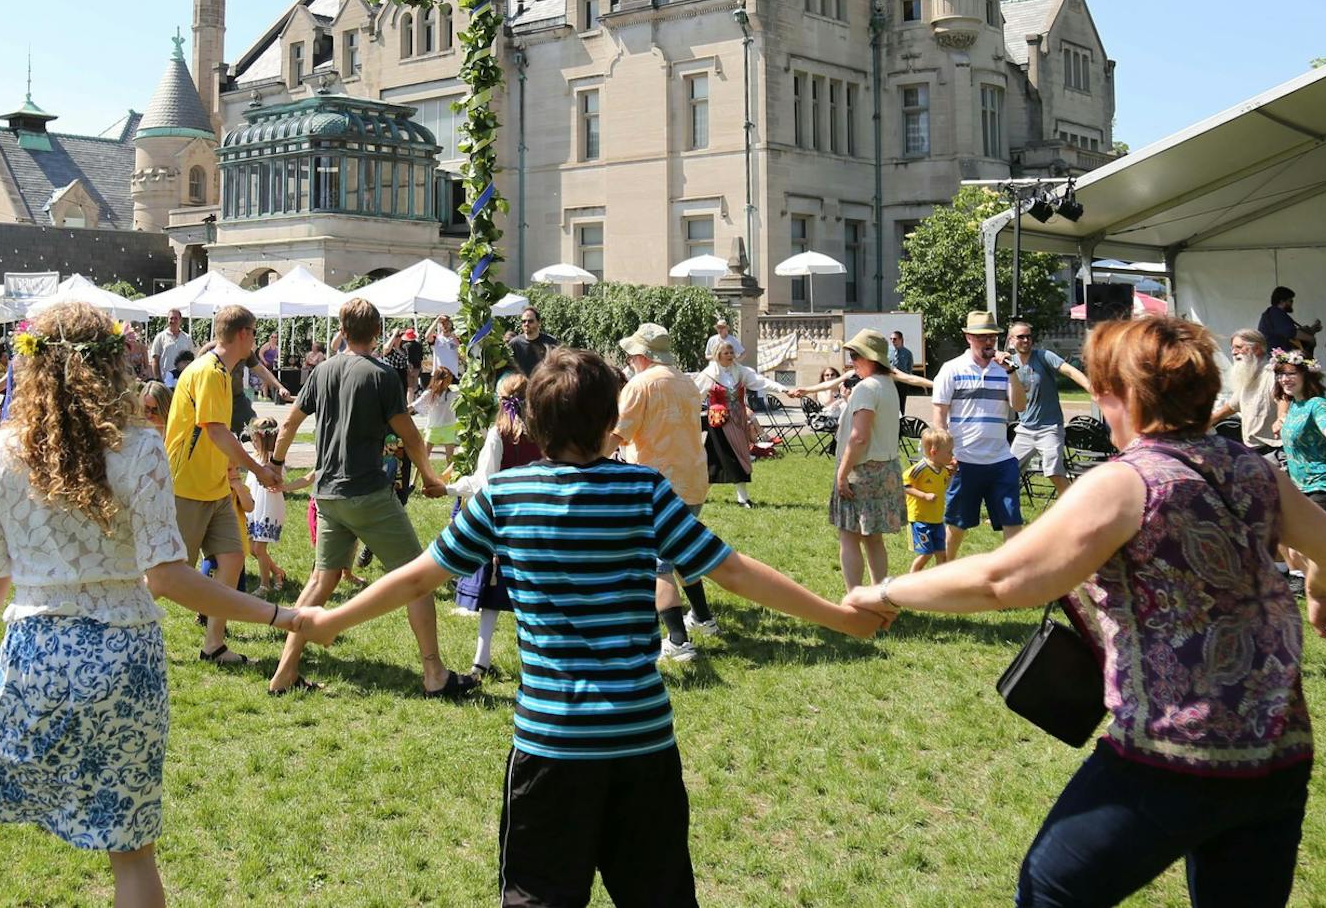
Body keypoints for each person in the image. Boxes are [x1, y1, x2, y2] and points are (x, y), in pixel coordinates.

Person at [298, 347, 889, 905]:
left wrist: (334, 619)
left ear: (530, 425)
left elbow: (416, 578)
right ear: (612, 423)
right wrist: (836, 615)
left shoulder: (502, 496)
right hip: (642, 742)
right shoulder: (644, 491)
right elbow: (733, 572)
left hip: (551, 746)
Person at [847, 314, 1326, 908]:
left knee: (1051, 890)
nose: (1099, 399)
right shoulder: (1255, 470)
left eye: (1104, 389)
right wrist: (1324, 595)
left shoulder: (1129, 481)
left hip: (1174, 751)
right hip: (1278, 753)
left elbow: (1002, 579)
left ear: (1127, 397)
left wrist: (882, 593)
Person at [0, 301, 309, 908]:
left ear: (32, 368)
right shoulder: (141, 450)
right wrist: (282, 614)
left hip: (34, 656)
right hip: (125, 656)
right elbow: (168, 577)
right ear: (112, 365)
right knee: (131, 851)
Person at [267, 296, 470, 697]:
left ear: (342, 330)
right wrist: (429, 476)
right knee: (419, 577)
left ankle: (284, 671)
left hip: (326, 494)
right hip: (368, 494)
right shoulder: (381, 375)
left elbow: (290, 421)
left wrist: (275, 462)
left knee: (321, 581)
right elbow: (410, 435)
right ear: (378, 333)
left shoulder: (322, 370)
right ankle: (434, 674)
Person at [166, 305, 283, 667]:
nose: (257, 342)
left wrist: (233, 477)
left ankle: (213, 645)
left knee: (232, 560)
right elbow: (215, 430)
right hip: (188, 486)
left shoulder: (221, 371)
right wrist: (259, 471)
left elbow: (220, 434)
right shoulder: (211, 372)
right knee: (165, 576)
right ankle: (112, 630)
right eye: (255, 333)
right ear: (244, 334)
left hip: (215, 487)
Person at [617, 324, 724, 661]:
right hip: (693, 479)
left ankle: (678, 641)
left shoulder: (640, 384)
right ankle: (703, 618)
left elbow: (618, 435)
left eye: (633, 354)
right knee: (681, 553)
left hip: (657, 484)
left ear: (642, 355)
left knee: (659, 565)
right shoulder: (686, 381)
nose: (631, 359)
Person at [448, 372, 544, 679]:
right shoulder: (543, 431)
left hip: (504, 522)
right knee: (530, 594)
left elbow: (483, 483)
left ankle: (481, 660)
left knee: (492, 596)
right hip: (536, 520)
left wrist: (450, 488)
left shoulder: (497, 435)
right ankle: (532, 660)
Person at [930, 311, 1029, 558]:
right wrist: (944, 455)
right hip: (964, 460)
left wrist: (1011, 372)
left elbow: (1019, 406)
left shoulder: (1004, 370)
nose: (987, 342)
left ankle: (1014, 577)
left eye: (992, 338)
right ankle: (945, 572)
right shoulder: (952, 369)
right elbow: (939, 415)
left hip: (1001, 460)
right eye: (981, 337)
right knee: (956, 524)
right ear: (968, 338)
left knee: (1012, 521)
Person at [829, 329, 904, 593]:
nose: (851, 362)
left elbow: (859, 437)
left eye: (854, 356)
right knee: (873, 539)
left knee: (849, 537)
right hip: (886, 469)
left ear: (869, 359)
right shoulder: (887, 386)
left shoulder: (867, 387)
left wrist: (842, 474)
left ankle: (855, 598)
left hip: (862, 471)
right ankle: (880, 596)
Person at [1007, 319, 1093, 496]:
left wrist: (1091, 387)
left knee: (1053, 470)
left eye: (1028, 337)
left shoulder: (1044, 356)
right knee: (1008, 472)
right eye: (1021, 337)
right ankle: (1006, 513)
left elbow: (1069, 370)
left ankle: (1071, 507)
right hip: (1025, 430)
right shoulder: (1009, 364)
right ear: (1011, 340)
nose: (1025, 340)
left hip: (1050, 428)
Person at [1275, 348, 1326, 516]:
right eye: (1280, 375)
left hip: (1325, 487)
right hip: (1302, 489)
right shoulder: (1294, 405)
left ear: (1306, 375)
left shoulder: (1317, 404)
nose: (1284, 379)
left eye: (1291, 374)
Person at [698, 338, 771, 509]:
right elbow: (694, 394)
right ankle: (741, 499)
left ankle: (735, 498)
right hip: (719, 423)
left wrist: (784, 389)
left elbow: (761, 382)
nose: (730, 355)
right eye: (726, 353)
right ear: (718, 355)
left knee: (725, 459)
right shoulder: (709, 375)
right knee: (725, 459)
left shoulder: (740, 371)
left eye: (732, 352)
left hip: (738, 421)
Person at [244, 418, 309, 595]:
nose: (252, 442)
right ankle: (277, 572)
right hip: (255, 506)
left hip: (268, 507)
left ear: (263, 439)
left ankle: (265, 585)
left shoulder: (275, 462)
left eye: (255, 439)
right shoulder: (253, 458)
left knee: (259, 548)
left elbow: (278, 479)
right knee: (251, 547)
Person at [1212, 328, 1283, 460]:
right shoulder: (1247, 377)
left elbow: (1284, 399)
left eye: (1239, 347)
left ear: (1256, 349)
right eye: (1232, 348)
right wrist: (1208, 421)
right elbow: (1231, 406)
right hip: (1254, 453)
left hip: (1274, 453)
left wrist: (1281, 417)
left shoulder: (1272, 375)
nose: (1234, 352)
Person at [903, 428, 955, 572]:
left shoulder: (943, 470)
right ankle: (912, 580)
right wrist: (924, 496)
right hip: (920, 520)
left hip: (937, 519)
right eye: (949, 452)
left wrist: (952, 474)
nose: (952, 455)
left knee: (942, 554)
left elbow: (944, 486)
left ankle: (939, 583)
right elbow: (904, 486)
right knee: (926, 554)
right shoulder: (920, 469)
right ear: (934, 452)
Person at [411, 366, 459, 465]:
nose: (449, 383)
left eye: (450, 380)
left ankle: (449, 480)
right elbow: (414, 405)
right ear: (439, 380)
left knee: (450, 460)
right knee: (424, 458)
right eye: (447, 380)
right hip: (433, 429)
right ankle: (414, 480)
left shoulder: (453, 392)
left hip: (449, 428)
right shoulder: (429, 393)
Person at [1260, 286, 1312, 355]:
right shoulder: (1277, 314)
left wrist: (1312, 330)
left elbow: (1288, 333)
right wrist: (1311, 339)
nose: (1292, 303)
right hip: (1278, 358)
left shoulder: (1272, 313)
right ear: (1282, 301)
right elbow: (1291, 332)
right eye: (1290, 301)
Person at [149, 309, 194, 388]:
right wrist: (158, 380)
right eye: (171, 318)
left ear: (180, 320)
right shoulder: (160, 337)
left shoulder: (187, 338)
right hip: (165, 383)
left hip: (184, 382)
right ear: (167, 320)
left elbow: (191, 361)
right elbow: (155, 360)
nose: (173, 321)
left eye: (176, 318)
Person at [508, 307, 558, 378]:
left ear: (539, 322)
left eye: (530, 321)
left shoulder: (550, 343)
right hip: (523, 386)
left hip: (544, 385)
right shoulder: (514, 344)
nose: (526, 324)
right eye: (523, 321)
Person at [427, 315, 462, 386]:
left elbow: (461, 348)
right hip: (439, 374)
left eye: (447, 323)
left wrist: (452, 336)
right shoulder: (436, 338)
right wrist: (436, 320)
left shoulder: (456, 339)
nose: (444, 326)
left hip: (452, 375)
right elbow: (427, 336)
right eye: (442, 323)